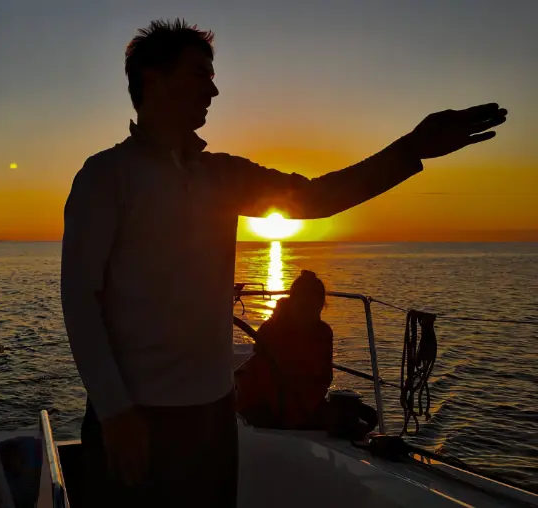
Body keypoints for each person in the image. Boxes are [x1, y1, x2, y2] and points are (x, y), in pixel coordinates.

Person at [60, 18, 507, 508]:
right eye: (199, 73)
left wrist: (410, 149)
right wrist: (115, 411)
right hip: (137, 414)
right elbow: (81, 299)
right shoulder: (106, 176)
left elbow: (315, 199)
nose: (214, 88)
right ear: (153, 78)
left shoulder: (221, 174)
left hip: (213, 413)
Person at [235, 270, 333, 429]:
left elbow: (324, 377)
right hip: (267, 408)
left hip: (302, 405)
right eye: (305, 307)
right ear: (293, 301)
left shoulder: (323, 332)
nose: (311, 313)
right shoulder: (271, 330)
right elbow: (261, 381)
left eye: (316, 308)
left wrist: (309, 404)